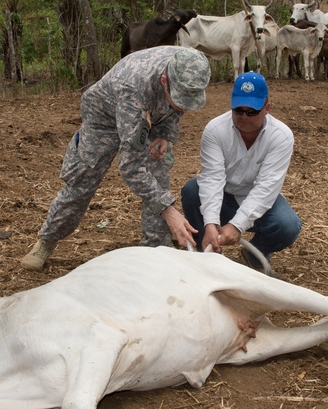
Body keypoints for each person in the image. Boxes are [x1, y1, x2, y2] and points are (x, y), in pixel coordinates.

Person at [22, 46, 211, 269]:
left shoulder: (190, 66)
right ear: (164, 80)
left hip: (147, 114)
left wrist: (165, 134)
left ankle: (156, 247)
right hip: (104, 118)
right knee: (83, 179)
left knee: (157, 172)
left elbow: (177, 107)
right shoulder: (132, 87)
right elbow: (130, 166)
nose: (185, 108)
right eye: (180, 99)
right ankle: (47, 239)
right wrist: (168, 210)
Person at [180, 71, 301, 273]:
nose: (243, 117)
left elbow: (266, 187)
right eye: (238, 110)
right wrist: (211, 223)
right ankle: (207, 254)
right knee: (192, 191)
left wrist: (237, 225)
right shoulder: (215, 130)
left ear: (267, 108)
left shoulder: (281, 136)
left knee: (287, 225)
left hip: (254, 196)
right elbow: (212, 178)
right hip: (224, 195)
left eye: (251, 111)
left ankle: (255, 253)